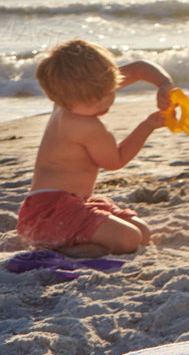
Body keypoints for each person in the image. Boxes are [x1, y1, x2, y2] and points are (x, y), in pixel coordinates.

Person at [18, 40, 177, 255]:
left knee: (142, 232)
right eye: (93, 101)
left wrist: (164, 83)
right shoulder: (84, 125)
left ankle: (81, 247)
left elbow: (139, 68)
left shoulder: (80, 91)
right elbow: (115, 161)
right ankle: (60, 252)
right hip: (49, 215)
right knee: (129, 238)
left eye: (108, 92)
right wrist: (148, 126)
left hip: (73, 205)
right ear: (64, 98)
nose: (103, 102)